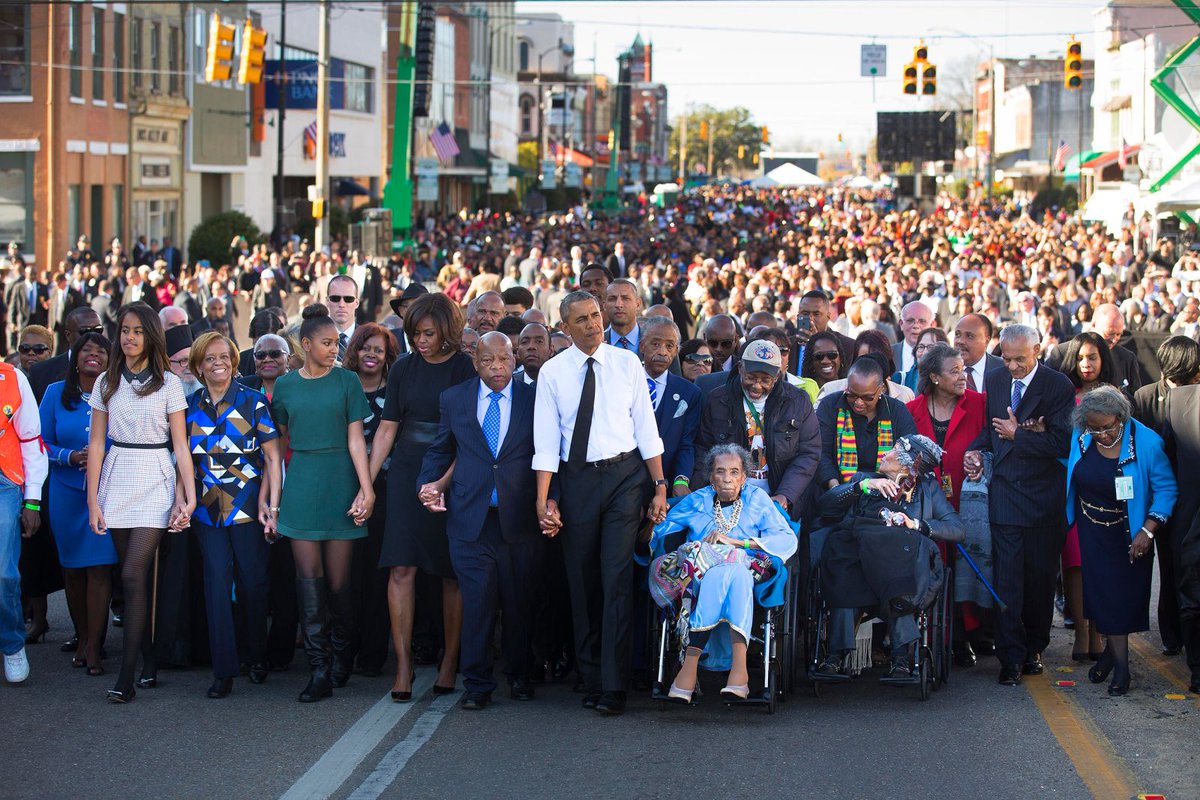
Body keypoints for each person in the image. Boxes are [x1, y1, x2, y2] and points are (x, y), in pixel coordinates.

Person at [532, 290, 669, 716]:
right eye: (583, 319)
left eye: (596, 315)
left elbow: (646, 429)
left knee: (615, 578)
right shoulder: (553, 373)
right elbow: (546, 442)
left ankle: (614, 685)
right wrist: (543, 500)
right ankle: (590, 677)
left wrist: (659, 485)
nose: (594, 324)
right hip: (577, 482)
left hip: (626, 478)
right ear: (565, 327)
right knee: (582, 580)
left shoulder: (628, 363)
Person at [417, 332, 543, 710]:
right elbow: (441, 449)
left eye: (504, 360)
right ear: (476, 362)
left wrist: (550, 500)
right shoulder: (454, 399)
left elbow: (549, 454)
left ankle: (520, 675)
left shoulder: (534, 400)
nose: (497, 368)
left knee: (519, 604)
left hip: (519, 519)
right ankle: (476, 684)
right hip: (470, 519)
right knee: (476, 604)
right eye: (488, 361)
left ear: (515, 359)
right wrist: (427, 484)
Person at [366, 293, 475, 701]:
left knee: (452, 573)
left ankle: (449, 661)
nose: (420, 341)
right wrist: (368, 485)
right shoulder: (404, 369)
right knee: (400, 569)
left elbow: (469, 436)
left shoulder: (465, 368)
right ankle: (404, 666)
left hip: (453, 468)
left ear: (447, 330)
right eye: (414, 333)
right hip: (408, 472)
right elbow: (388, 429)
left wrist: (442, 483)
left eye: (428, 333)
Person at [86, 302, 195, 703]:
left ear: (152, 335)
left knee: (133, 575)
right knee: (130, 578)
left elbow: (180, 445)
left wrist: (189, 493)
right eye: (124, 330)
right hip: (117, 475)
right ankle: (148, 656)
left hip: (155, 475)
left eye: (137, 331)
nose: (129, 338)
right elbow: (96, 444)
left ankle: (126, 676)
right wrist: (93, 500)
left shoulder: (168, 382)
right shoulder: (105, 382)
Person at [270, 304, 374, 703]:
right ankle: (319, 668)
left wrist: (366, 489)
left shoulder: (347, 382)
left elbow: (355, 441)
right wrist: (275, 499)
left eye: (336, 342)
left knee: (339, 584)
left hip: (340, 481)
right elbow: (278, 444)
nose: (334, 348)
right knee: (307, 583)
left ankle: (342, 657)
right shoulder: (286, 386)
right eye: (326, 343)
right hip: (300, 485)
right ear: (306, 343)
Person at [964, 324, 1075, 686]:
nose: (1012, 367)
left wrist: (1019, 435)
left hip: (1044, 499)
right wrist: (976, 452)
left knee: (1040, 579)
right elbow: (990, 429)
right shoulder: (995, 380)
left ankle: (1035, 647)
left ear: (1038, 350)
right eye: (1007, 359)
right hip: (1006, 495)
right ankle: (1009, 656)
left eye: (1020, 360)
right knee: (1007, 579)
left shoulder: (1058, 386)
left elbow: (1061, 443)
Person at [646, 445, 797, 703]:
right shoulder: (698, 500)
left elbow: (786, 538)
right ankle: (740, 674)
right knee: (728, 573)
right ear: (711, 477)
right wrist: (652, 522)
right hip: (703, 572)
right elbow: (661, 529)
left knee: (735, 570)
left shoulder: (758, 500)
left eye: (735, 472)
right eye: (720, 472)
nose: (727, 478)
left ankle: (689, 669)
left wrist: (737, 543)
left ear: (744, 477)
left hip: (747, 567)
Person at [816, 435, 963, 682]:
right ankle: (835, 654)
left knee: (900, 576)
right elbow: (826, 507)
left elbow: (957, 529)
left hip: (901, 568)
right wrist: (861, 487)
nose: (885, 452)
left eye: (894, 449)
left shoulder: (927, 490)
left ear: (907, 464)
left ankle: (901, 656)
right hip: (858, 563)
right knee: (842, 566)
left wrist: (916, 524)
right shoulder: (865, 479)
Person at [185, 332, 282, 699]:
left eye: (223, 356)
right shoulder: (188, 407)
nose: (217, 363)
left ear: (234, 361)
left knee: (254, 583)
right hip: (207, 511)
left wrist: (272, 506)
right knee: (215, 586)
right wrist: (185, 502)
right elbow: (184, 462)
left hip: (249, 505)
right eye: (209, 358)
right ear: (198, 365)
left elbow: (273, 458)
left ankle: (257, 656)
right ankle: (223, 669)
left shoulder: (254, 402)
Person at [1064, 386, 1177, 696]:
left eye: (1107, 427)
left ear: (1121, 418)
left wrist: (1149, 530)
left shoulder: (1148, 443)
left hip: (1129, 533)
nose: (1099, 434)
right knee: (1101, 597)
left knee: (1120, 600)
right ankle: (1110, 658)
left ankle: (1122, 670)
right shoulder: (1082, 434)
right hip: (1091, 529)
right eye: (1093, 427)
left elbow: (1167, 490)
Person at [906, 342, 988, 665]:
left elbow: (991, 443)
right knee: (930, 567)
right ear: (935, 377)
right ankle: (928, 636)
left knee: (963, 566)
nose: (963, 376)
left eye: (964, 369)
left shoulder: (980, 404)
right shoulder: (911, 410)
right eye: (954, 371)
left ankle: (962, 637)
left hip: (967, 501)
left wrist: (983, 459)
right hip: (926, 503)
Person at [40, 332, 114, 675]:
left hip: (106, 494)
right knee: (72, 571)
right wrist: (70, 456)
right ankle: (82, 638)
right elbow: (40, 442)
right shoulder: (56, 394)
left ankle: (96, 648)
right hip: (66, 493)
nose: (93, 355)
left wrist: (101, 456)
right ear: (75, 356)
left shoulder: (118, 394)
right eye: (87, 350)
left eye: (101, 350)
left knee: (99, 568)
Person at [694, 339, 821, 519]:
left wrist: (786, 495)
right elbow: (702, 449)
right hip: (726, 500)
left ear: (777, 376)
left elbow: (809, 453)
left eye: (765, 380)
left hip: (777, 501)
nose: (757, 386)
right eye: (751, 377)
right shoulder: (717, 400)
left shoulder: (797, 401)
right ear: (740, 368)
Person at [1133, 336, 1200, 655]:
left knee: (1186, 564)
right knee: (1169, 566)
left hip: (1188, 495)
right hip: (1159, 496)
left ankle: (1186, 634)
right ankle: (1171, 633)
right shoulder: (1146, 396)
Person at [342, 322, 400, 677]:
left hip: (385, 490)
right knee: (345, 575)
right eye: (366, 348)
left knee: (377, 572)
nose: (372, 355)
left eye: (379, 350)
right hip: (343, 487)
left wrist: (371, 487)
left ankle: (373, 653)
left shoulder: (395, 391)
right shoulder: (342, 387)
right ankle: (344, 649)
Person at [0, 335, 47, 684]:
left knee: (4, 574)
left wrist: (32, 499)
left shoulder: (14, 378)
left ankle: (12, 644)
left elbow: (31, 439)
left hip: (6, 482)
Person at [816, 355, 918, 491]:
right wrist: (837, 490)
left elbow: (910, 454)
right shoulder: (830, 406)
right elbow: (822, 454)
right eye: (851, 394)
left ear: (881, 389)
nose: (858, 402)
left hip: (886, 493)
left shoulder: (897, 411)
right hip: (838, 492)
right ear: (847, 386)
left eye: (867, 397)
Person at [1161, 379, 1200, 693]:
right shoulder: (1177, 402)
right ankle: (1197, 670)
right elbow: (1166, 466)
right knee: (1191, 595)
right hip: (1189, 523)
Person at [640, 317, 701, 495]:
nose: (662, 352)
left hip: (667, 484)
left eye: (669, 346)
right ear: (642, 346)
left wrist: (681, 480)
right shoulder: (626, 384)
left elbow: (686, 444)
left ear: (676, 351)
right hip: (625, 486)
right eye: (655, 344)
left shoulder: (688, 392)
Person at [818, 330, 916, 403]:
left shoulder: (905, 395)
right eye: (865, 359)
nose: (871, 365)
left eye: (877, 359)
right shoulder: (830, 391)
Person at [954, 313, 1004, 394]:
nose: (960, 341)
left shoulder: (1003, 369)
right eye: (957, 334)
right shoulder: (943, 370)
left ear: (986, 341)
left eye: (969, 336)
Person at [896, 327, 949, 394]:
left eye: (931, 347)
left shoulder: (951, 384)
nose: (925, 352)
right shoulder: (900, 379)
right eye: (921, 347)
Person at [893, 301, 936, 378]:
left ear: (932, 325)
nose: (916, 326)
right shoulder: (888, 354)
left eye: (922, 321)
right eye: (910, 321)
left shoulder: (941, 357)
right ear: (901, 324)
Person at [325, 274, 360, 363]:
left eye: (348, 299)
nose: (341, 304)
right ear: (327, 301)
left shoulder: (367, 338)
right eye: (335, 298)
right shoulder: (315, 338)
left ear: (356, 303)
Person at [800, 330, 846, 395]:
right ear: (811, 361)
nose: (825, 361)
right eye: (819, 356)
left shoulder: (850, 390)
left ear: (840, 358)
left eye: (832, 354)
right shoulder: (803, 393)